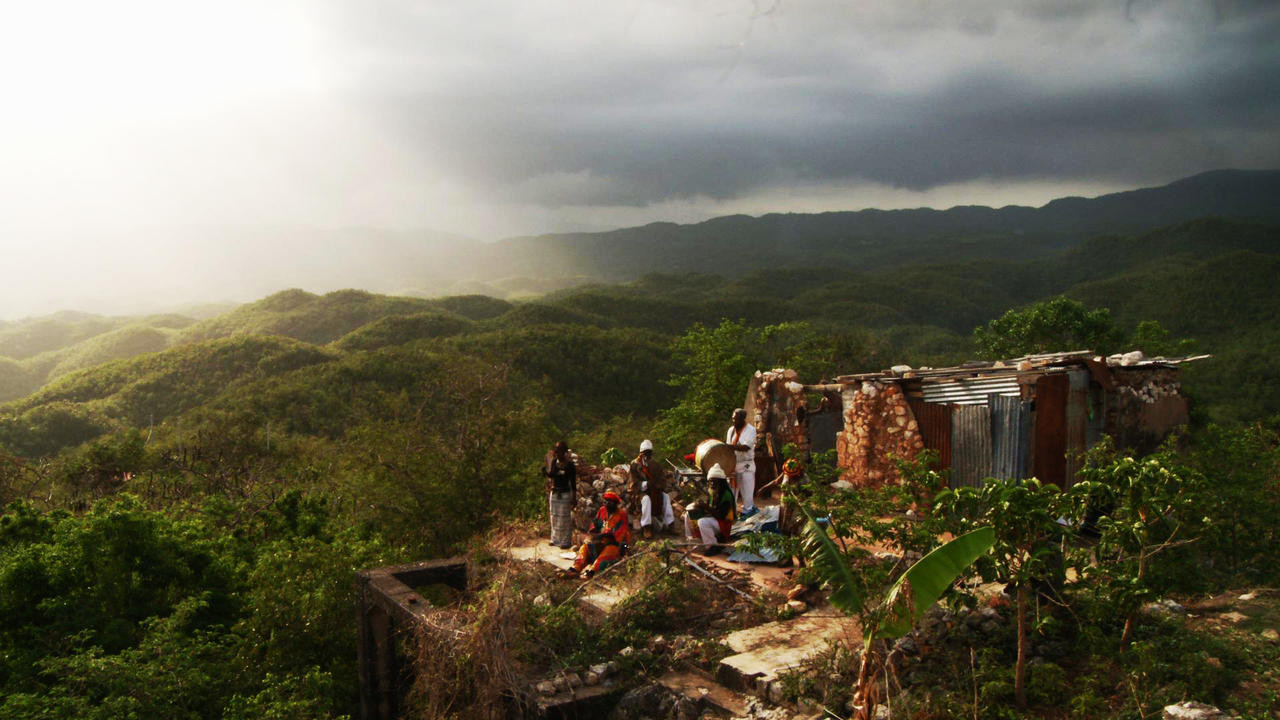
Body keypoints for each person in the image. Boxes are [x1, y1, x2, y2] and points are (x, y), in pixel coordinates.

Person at [570, 491, 631, 577]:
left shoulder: (622, 514)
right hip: (602, 541)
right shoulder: (602, 510)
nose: (606, 504)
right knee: (585, 547)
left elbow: (619, 535)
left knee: (608, 552)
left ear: (615, 504)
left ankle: (592, 572)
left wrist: (602, 536)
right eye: (605, 502)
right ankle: (575, 568)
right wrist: (593, 535)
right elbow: (594, 525)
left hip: (616, 545)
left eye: (610, 503)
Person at [684, 464, 736, 554]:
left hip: (724, 523)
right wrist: (699, 506)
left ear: (720, 482)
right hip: (714, 519)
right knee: (688, 515)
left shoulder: (726, 495)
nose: (712, 484)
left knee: (702, 522)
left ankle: (712, 546)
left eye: (714, 482)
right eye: (710, 481)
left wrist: (705, 507)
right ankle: (690, 539)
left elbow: (721, 515)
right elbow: (709, 508)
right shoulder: (711, 491)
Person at [629, 439, 674, 539]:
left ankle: (671, 524)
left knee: (666, 497)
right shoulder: (634, 465)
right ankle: (646, 527)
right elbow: (634, 484)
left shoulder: (656, 465)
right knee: (646, 500)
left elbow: (662, 480)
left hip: (655, 491)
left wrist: (658, 486)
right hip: (641, 493)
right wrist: (647, 484)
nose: (647, 455)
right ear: (640, 453)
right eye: (645, 453)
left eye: (649, 453)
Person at [543, 441, 576, 549]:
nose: (558, 454)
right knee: (554, 517)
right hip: (555, 493)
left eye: (560, 451)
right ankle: (555, 539)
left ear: (565, 452)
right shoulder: (554, 462)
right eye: (556, 451)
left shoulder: (570, 465)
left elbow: (573, 483)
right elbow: (552, 475)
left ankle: (565, 541)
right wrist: (546, 471)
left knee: (565, 518)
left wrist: (573, 498)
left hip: (564, 493)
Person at [727, 408, 758, 518]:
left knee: (747, 493)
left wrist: (728, 447)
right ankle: (732, 514)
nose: (734, 421)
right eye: (733, 418)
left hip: (746, 465)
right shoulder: (731, 430)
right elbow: (728, 449)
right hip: (733, 465)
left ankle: (748, 513)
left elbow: (745, 447)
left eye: (736, 419)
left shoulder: (751, 430)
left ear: (743, 419)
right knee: (731, 492)